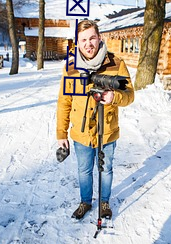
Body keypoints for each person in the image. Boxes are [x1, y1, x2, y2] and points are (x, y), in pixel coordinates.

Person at [56, 20, 134, 220]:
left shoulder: (116, 64)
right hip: (81, 133)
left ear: (99, 38)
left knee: (106, 168)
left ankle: (105, 202)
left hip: (107, 130)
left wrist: (114, 97)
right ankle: (85, 202)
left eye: (92, 38)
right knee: (84, 170)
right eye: (83, 40)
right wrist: (61, 134)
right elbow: (64, 102)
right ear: (77, 42)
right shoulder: (71, 66)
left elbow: (130, 95)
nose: (88, 43)